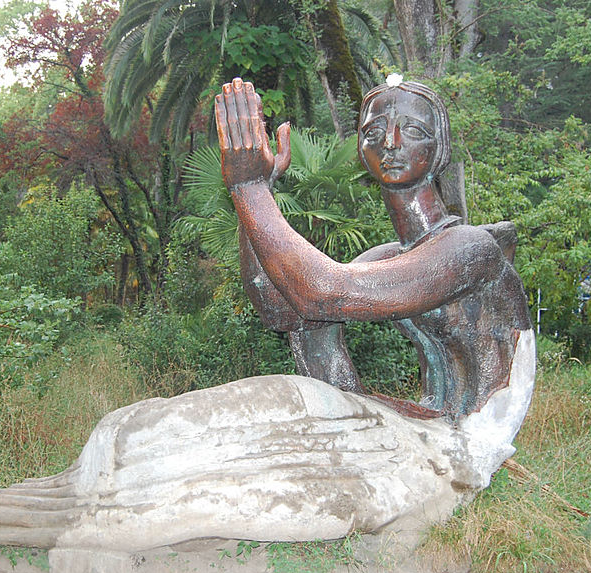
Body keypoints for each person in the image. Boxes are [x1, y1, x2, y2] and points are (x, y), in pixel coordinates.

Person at [215, 77, 532, 420]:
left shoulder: (471, 249)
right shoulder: (387, 258)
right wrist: (259, 187)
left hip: (476, 437)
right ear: (362, 151)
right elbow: (285, 313)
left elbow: (323, 293)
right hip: (432, 427)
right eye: (374, 131)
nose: (391, 143)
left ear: (439, 148)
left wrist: (248, 190)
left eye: (412, 130)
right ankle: (345, 419)